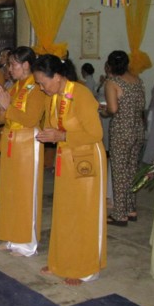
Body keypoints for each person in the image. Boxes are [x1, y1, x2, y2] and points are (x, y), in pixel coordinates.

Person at [33, 54, 107, 286]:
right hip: (65, 156)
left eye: (43, 82)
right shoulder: (53, 97)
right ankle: (61, 261)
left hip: (87, 157)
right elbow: (52, 126)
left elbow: (96, 133)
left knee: (83, 211)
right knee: (64, 210)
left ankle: (85, 268)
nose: (41, 87)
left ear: (57, 76)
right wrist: (48, 134)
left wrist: (62, 136)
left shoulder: (81, 94)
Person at [0, 46, 46, 257]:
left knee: (25, 192)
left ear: (26, 65)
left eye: (13, 64)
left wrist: (7, 107)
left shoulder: (37, 88)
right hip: (11, 141)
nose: (9, 69)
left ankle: (26, 242)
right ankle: (12, 236)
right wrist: (2, 107)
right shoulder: (15, 87)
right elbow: (0, 119)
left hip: (27, 144)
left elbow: (30, 119)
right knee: (10, 191)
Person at [104, 50, 145, 226]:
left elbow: (113, 109)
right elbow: (142, 105)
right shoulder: (137, 80)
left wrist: (103, 110)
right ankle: (131, 209)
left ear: (109, 65)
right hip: (138, 129)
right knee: (131, 171)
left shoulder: (112, 82)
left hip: (121, 130)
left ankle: (120, 214)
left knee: (119, 172)